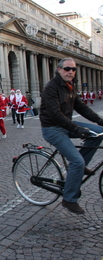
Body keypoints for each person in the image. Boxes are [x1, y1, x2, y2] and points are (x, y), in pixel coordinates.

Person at [40, 57, 103, 215]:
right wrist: (77, 129)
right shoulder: (51, 88)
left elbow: (81, 107)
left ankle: (79, 168)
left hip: (66, 125)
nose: (71, 72)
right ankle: (69, 199)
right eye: (67, 69)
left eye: (73, 69)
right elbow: (55, 114)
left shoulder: (70, 86)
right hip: (53, 128)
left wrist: (100, 121)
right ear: (59, 69)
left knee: (97, 134)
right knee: (77, 162)